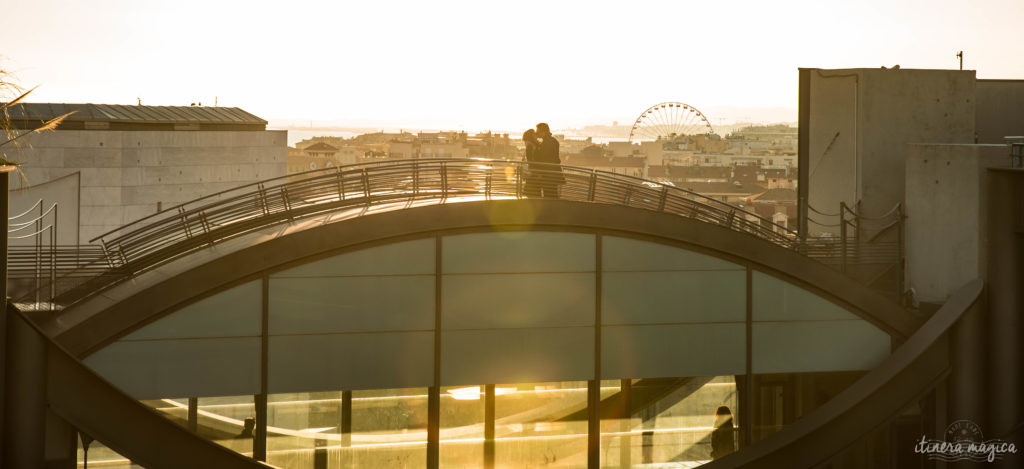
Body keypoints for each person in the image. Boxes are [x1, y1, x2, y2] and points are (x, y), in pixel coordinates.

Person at [533, 122, 564, 198]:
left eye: (538, 132)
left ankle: (551, 209)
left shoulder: (546, 143)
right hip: (552, 173)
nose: (537, 133)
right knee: (552, 194)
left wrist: (536, 148)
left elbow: (542, 158)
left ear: (543, 132)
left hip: (547, 174)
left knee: (549, 195)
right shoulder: (553, 141)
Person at [521, 129, 542, 197]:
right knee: (533, 190)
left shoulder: (531, 144)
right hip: (533, 172)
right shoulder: (530, 145)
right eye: (534, 134)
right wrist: (536, 172)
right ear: (531, 136)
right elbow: (530, 160)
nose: (536, 135)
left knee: (532, 190)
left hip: (532, 172)